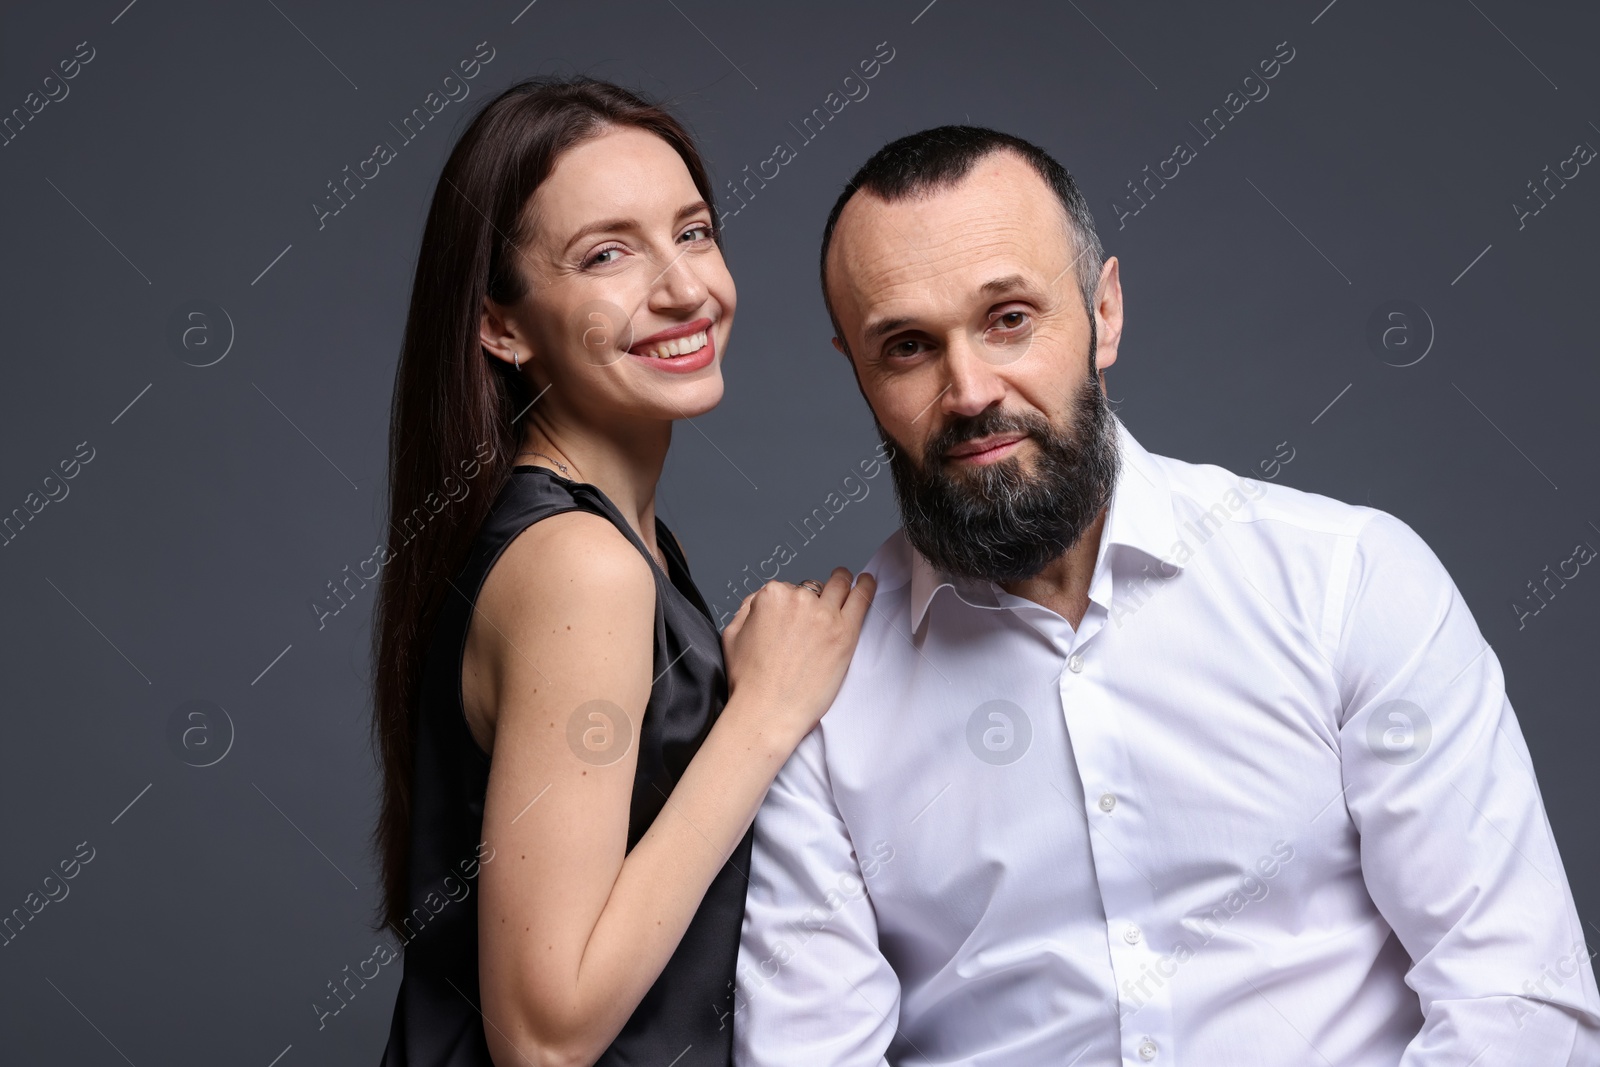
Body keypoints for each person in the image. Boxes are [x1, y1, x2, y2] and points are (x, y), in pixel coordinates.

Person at [733, 125, 1600, 1065]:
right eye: (907, 346)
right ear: (857, 373)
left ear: (1104, 312)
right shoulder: (815, 699)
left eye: (1010, 317)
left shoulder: (1347, 580)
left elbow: (1519, 1001)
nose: (971, 389)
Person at [370, 77, 875, 1067]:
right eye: (607, 253)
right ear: (500, 326)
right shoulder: (580, 567)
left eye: (691, 232)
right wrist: (761, 716)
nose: (684, 287)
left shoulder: (606, 540)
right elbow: (545, 1034)